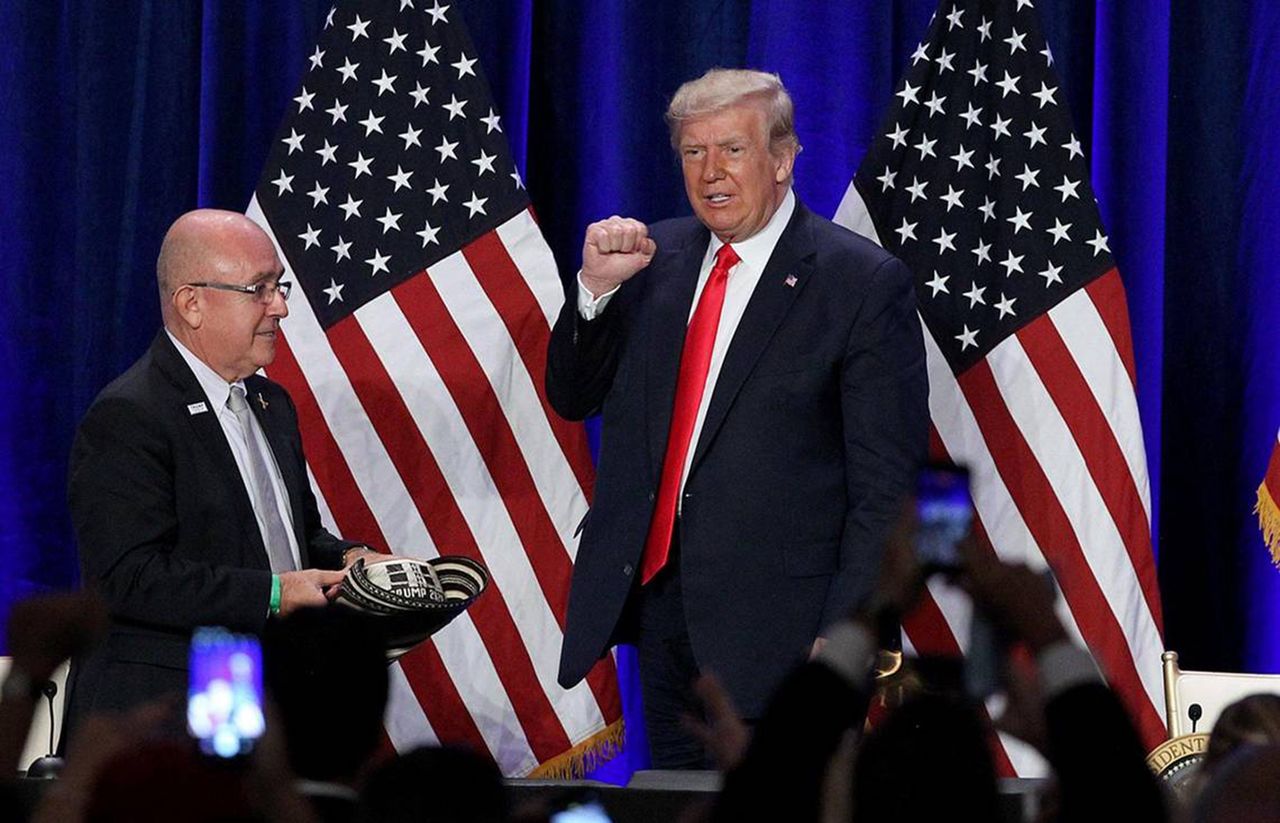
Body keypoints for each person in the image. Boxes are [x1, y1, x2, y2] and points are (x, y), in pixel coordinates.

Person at [547, 68, 929, 767]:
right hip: (662, 621)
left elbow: (886, 489)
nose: (710, 172)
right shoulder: (649, 263)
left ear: (782, 159)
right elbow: (573, 397)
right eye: (693, 152)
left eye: (732, 149)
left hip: (784, 638)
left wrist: (844, 635)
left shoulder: (860, 285)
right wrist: (595, 293)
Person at [64, 209, 380, 739]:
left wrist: (351, 559)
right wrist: (275, 594)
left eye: (279, 287)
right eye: (259, 288)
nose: (279, 306)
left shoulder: (270, 402)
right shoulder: (130, 415)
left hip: (268, 703)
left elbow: (293, 535)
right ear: (192, 304)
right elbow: (127, 577)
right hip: (162, 722)